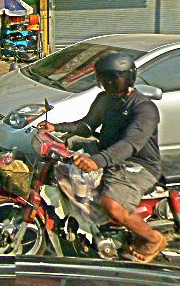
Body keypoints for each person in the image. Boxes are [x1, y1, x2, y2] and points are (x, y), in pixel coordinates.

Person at [38, 52, 167, 263]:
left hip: (137, 165)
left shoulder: (144, 108)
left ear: (128, 78)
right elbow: (87, 126)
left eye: (114, 79)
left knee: (112, 205)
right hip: (108, 155)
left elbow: (129, 144)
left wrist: (96, 161)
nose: (109, 84)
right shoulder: (104, 99)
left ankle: (152, 239)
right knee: (63, 168)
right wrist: (56, 128)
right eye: (104, 79)